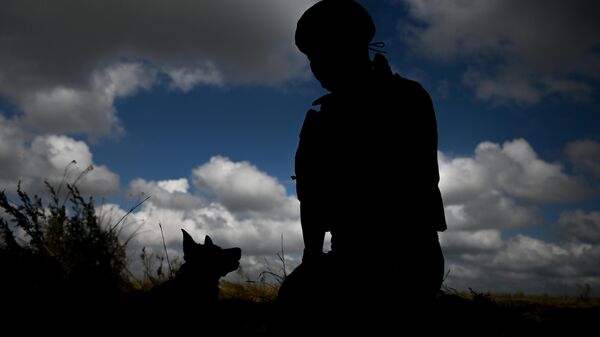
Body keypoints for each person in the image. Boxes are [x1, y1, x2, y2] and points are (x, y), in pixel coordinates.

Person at [278, 0, 446, 333]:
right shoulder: (321, 119)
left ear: (354, 48)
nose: (317, 66)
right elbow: (311, 197)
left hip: (407, 256)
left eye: (323, 54)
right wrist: (313, 257)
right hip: (350, 256)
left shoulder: (406, 98)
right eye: (312, 58)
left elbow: (413, 182)